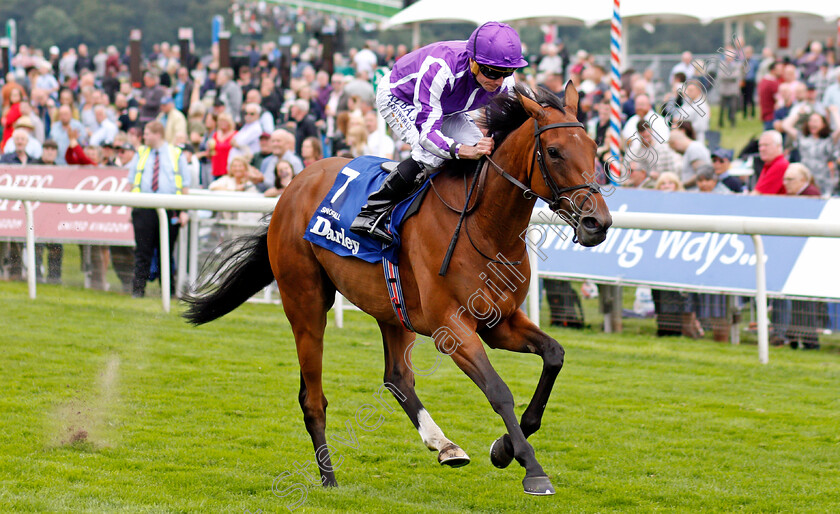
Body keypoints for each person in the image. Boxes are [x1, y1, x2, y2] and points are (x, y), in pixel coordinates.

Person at [350, 21, 529, 244]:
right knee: (432, 154)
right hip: (400, 98)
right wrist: (462, 150)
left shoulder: (504, 81)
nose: (499, 81)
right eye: (492, 73)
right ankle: (371, 212)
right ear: (473, 61)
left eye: (507, 72)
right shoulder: (440, 68)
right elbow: (428, 136)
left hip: (447, 107)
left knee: (485, 157)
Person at [126, 121, 190, 298]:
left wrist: (184, 211)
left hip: (170, 209)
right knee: (142, 252)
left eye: (146, 133)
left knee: (166, 253)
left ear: (157, 134)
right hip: (143, 208)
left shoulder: (176, 154)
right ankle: (138, 292)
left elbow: (185, 185)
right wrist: (130, 209)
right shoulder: (140, 153)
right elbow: (131, 181)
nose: (144, 137)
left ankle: (168, 293)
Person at [753, 130, 789, 195]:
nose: (762, 149)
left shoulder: (780, 165)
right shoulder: (768, 164)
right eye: (760, 146)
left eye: (766, 145)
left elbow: (759, 195)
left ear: (778, 146)